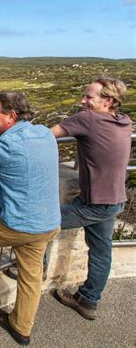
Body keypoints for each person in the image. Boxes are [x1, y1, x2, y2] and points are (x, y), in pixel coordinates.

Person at [0, 91, 61, 346]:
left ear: (11, 116)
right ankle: (21, 328)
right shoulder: (43, 132)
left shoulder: (3, 146)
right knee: (31, 278)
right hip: (49, 222)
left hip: (18, 225)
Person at [51, 77, 132, 320]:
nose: (82, 101)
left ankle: (15, 269)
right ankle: (88, 300)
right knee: (100, 251)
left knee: (38, 223)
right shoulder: (124, 121)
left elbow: (46, 135)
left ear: (108, 101)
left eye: (89, 97)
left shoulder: (88, 119)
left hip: (94, 203)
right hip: (115, 199)